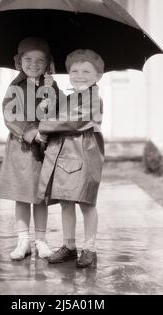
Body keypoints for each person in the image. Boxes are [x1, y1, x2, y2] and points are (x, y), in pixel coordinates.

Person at [37, 49, 105, 268]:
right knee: (66, 201)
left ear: (98, 76)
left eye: (87, 71)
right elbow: (55, 111)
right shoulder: (70, 97)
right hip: (65, 155)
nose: (79, 75)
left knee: (86, 202)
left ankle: (91, 248)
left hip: (85, 154)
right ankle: (69, 246)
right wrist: (50, 87)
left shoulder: (94, 98)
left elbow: (74, 121)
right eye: (74, 70)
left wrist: (45, 126)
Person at [0, 37, 58, 260]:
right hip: (22, 148)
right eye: (28, 59)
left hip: (44, 148)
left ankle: (41, 240)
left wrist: (49, 104)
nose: (33, 64)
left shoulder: (51, 85)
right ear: (19, 62)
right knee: (23, 195)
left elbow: (59, 112)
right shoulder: (15, 86)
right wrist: (31, 132)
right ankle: (23, 240)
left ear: (48, 63)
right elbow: (9, 114)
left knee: (41, 196)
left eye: (40, 61)